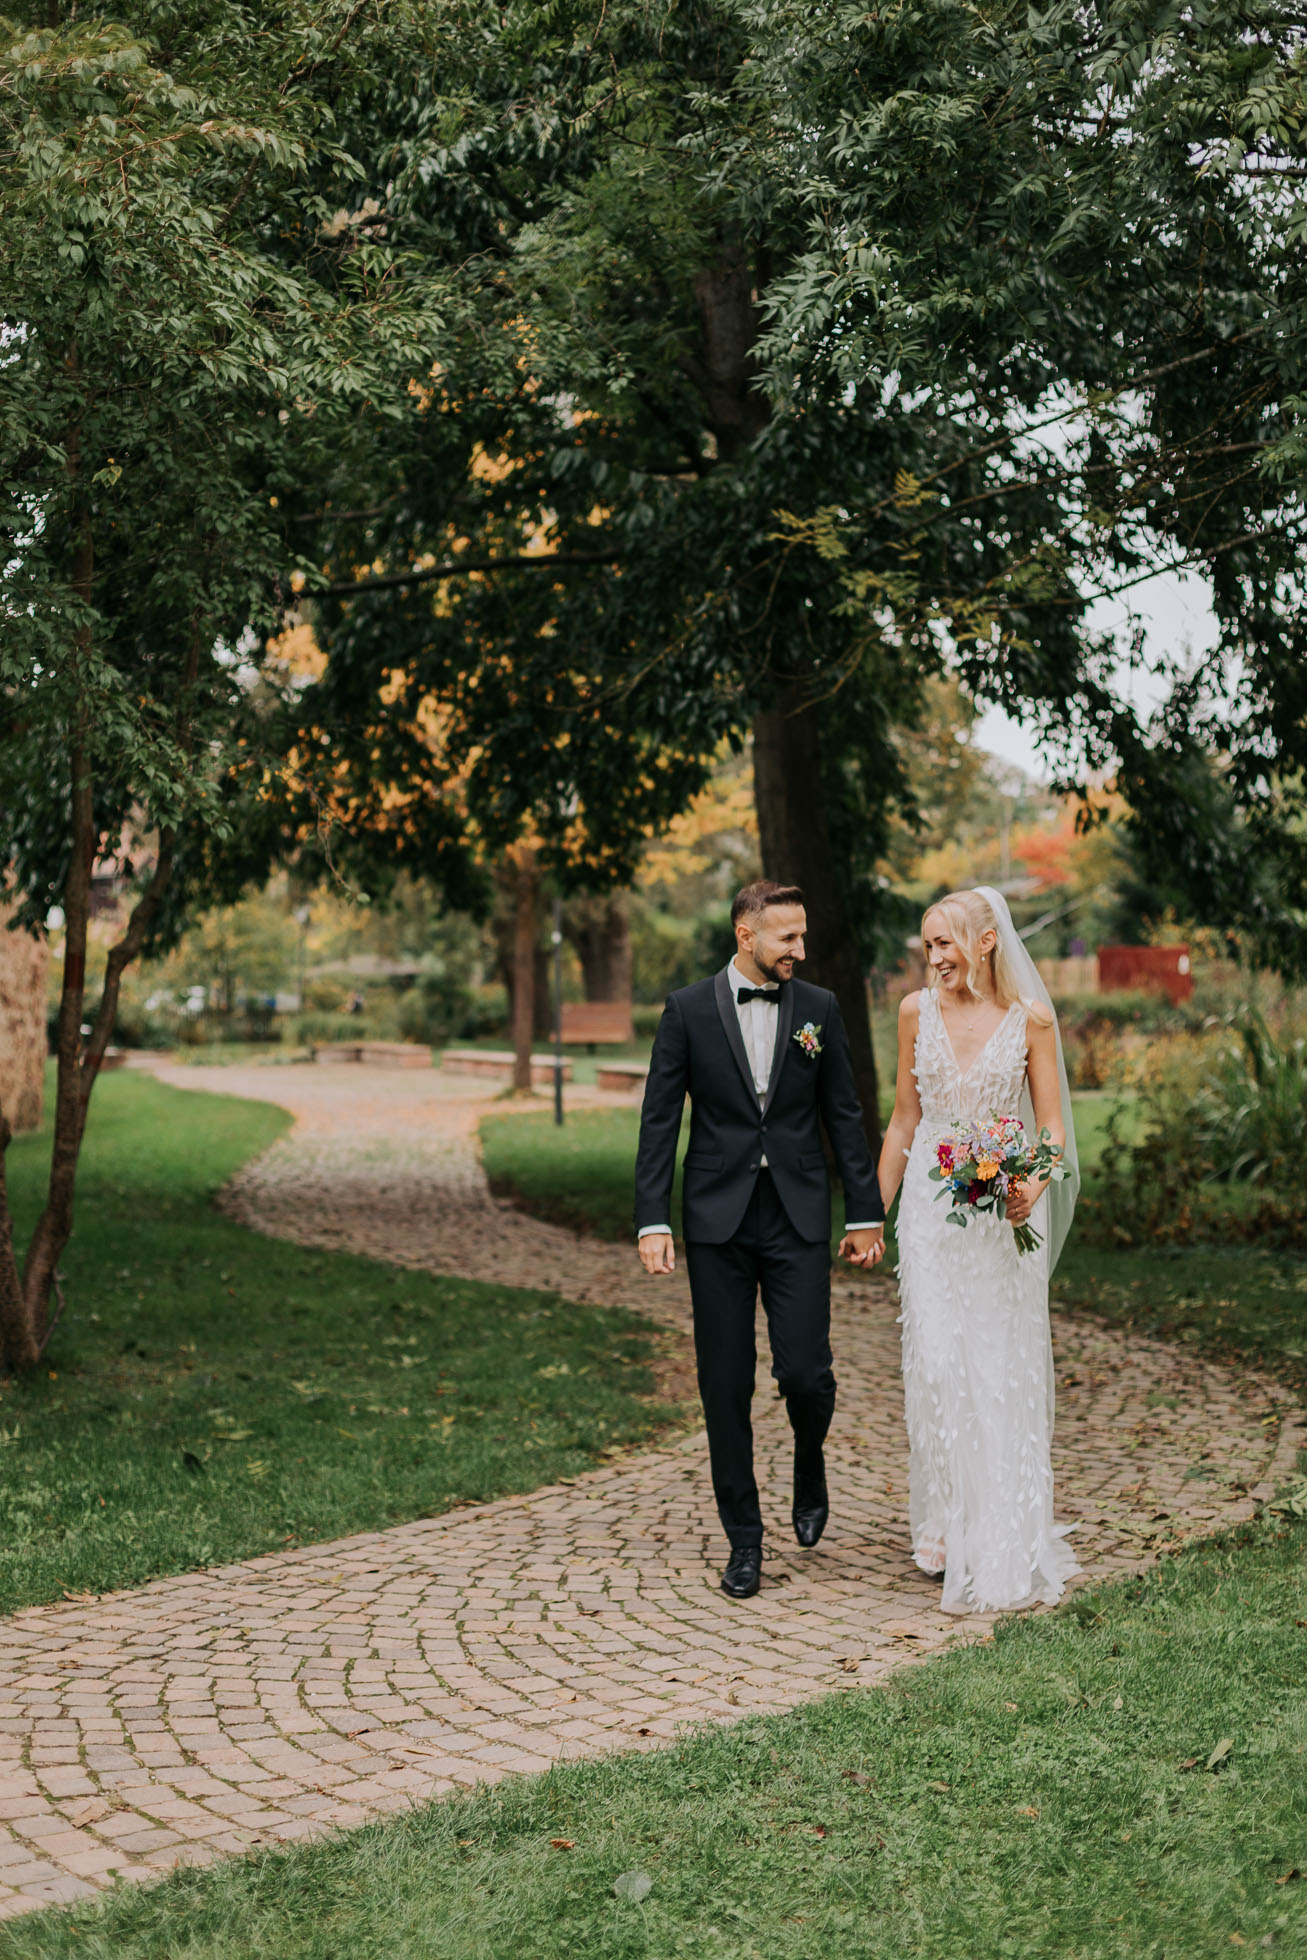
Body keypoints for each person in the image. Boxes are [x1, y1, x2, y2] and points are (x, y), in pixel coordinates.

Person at [634, 880, 885, 1600]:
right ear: (746, 935)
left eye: (802, 936)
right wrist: (652, 1218)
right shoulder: (684, 1011)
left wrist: (863, 1212)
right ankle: (744, 1539)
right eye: (787, 938)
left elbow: (844, 1114)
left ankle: (810, 1457)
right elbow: (658, 1121)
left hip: (796, 1215)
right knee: (724, 1382)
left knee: (805, 1372)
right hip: (716, 1220)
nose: (799, 950)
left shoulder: (818, 1009)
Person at [877, 886, 1081, 1615]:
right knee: (935, 1362)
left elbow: (1051, 1128)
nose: (933, 958)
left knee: (994, 1365)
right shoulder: (912, 1014)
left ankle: (997, 1527)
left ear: (986, 941)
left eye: (945, 943)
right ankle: (942, 1524)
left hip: (1000, 1216)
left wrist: (1029, 1179)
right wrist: (870, 1214)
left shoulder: (1031, 1021)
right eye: (926, 945)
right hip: (929, 1215)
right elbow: (904, 1122)